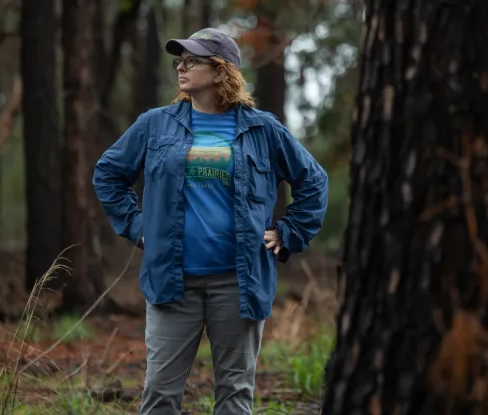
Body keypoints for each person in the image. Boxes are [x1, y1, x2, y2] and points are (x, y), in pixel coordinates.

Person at [92, 27, 329, 415]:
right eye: (178, 61)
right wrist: (137, 227)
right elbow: (108, 173)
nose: (181, 67)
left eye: (192, 60)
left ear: (221, 72)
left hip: (239, 282)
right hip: (173, 280)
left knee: (235, 394)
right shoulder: (156, 124)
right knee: (160, 395)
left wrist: (289, 232)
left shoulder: (262, 128)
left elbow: (313, 181)